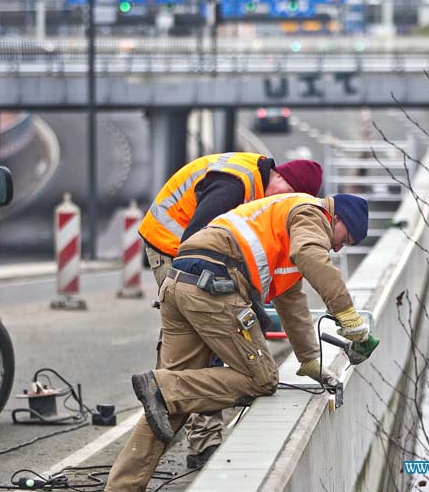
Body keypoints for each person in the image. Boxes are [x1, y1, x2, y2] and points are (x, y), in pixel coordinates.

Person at [106, 193, 372, 491]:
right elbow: (310, 255)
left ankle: (121, 488)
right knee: (261, 379)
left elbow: (292, 303)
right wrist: (348, 315)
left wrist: (309, 361)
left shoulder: (282, 219)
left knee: (167, 406)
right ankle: (163, 386)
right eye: (343, 238)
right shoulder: (310, 214)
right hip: (215, 287)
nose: (337, 248)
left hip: (178, 282)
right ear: (336, 218)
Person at [136, 152, 323, 469]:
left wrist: (309, 358)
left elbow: (289, 296)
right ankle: (191, 434)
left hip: (193, 251)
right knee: (204, 336)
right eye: (287, 196)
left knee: (214, 337)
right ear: (280, 178)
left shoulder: (267, 204)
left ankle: (197, 438)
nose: (285, 205)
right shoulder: (236, 184)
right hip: (173, 246)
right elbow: (195, 243)